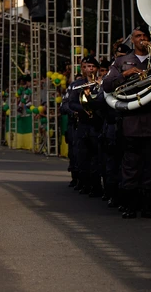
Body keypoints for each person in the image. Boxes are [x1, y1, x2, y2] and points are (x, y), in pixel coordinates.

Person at [102, 26, 151, 218]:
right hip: (131, 121)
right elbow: (106, 85)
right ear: (132, 40)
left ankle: (147, 206)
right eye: (138, 36)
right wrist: (124, 76)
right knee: (131, 166)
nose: (142, 39)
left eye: (145, 36)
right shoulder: (121, 61)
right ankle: (130, 206)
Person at [64, 57, 103, 197]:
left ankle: (96, 186)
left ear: (96, 68)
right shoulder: (77, 85)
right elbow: (71, 103)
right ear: (82, 69)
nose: (89, 69)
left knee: (96, 157)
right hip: (82, 123)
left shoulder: (102, 83)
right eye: (86, 66)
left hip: (97, 124)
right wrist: (84, 108)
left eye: (92, 66)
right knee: (82, 156)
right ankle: (85, 184)